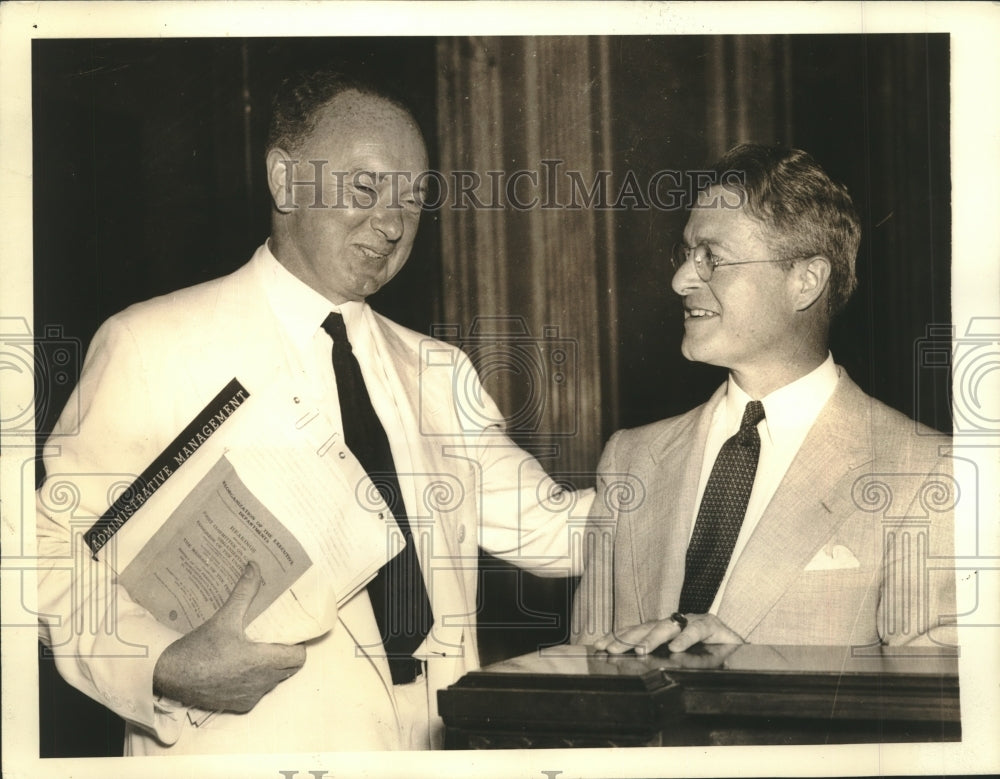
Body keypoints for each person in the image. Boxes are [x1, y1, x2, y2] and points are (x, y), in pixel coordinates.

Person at [36, 69, 592, 754]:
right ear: (284, 180)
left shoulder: (442, 370)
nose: (391, 224)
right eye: (365, 187)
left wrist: (732, 431)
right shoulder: (150, 343)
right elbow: (47, 551)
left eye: (413, 200)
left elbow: (559, 528)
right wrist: (163, 663)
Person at [572, 144, 956, 656]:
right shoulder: (631, 458)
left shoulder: (927, 472)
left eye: (712, 258)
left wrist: (758, 671)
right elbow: (578, 676)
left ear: (805, 282)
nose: (681, 280)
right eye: (686, 255)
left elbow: (934, 705)